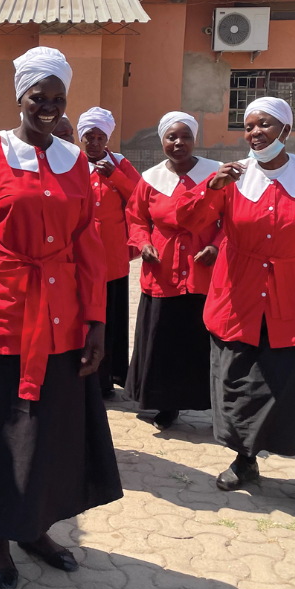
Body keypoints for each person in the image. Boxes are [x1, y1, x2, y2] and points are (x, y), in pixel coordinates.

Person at [0, 47, 121, 589]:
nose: (49, 107)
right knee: (1, 430)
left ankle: (36, 528)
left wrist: (97, 322)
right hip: (1, 312)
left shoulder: (75, 160)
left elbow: (88, 245)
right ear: (20, 98)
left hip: (62, 317)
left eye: (58, 100)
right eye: (39, 98)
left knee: (50, 433)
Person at [175, 97, 295, 508]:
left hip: (291, 297)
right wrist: (212, 187)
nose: (254, 133)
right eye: (248, 127)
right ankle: (245, 460)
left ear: (285, 130)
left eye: (264, 125)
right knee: (240, 381)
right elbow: (189, 221)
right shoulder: (233, 176)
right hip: (238, 295)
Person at [126, 112, 223, 429]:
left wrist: (217, 245)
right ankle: (164, 404)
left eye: (185, 137)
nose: (178, 143)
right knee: (162, 338)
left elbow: (232, 219)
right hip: (162, 271)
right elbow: (137, 219)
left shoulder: (215, 176)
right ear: (162, 141)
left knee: (199, 340)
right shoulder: (150, 178)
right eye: (171, 137)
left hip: (201, 269)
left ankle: (208, 404)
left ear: (195, 140)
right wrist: (142, 244)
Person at [75, 106, 142, 398]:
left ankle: (109, 378)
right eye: (89, 136)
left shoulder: (120, 163)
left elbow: (141, 198)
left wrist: (115, 176)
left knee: (111, 318)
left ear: (108, 139)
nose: (94, 143)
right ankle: (82, 374)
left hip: (113, 256)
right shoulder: (71, 163)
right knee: (84, 316)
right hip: (80, 254)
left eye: (100, 137)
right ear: (81, 138)